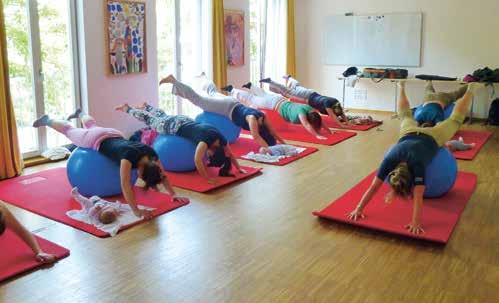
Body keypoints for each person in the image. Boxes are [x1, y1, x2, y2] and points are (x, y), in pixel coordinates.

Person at [347, 81, 481, 234]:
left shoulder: (417, 166)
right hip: (409, 132)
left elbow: (418, 197)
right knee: (405, 114)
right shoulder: (390, 160)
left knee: (455, 120)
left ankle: (470, 90)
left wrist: (415, 222)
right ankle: (401, 87)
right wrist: (358, 208)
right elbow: (373, 187)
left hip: (433, 137)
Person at [33, 111, 187, 219]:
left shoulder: (150, 152)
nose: (138, 177)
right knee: (69, 130)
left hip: (113, 133)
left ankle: (80, 113)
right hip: (93, 140)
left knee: (92, 125)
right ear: (141, 171)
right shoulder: (127, 159)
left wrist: (173, 194)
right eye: (141, 177)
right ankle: (47, 120)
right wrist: (137, 211)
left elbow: (162, 174)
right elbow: (125, 185)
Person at [115, 103, 246, 184]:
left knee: (162, 116)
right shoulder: (205, 142)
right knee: (149, 119)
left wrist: (239, 168)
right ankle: (127, 108)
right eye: (210, 156)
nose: (208, 155)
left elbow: (229, 154)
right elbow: (197, 160)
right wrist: (207, 178)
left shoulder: (221, 138)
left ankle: (147, 106)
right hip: (173, 127)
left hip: (183, 119)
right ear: (213, 151)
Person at [159, 74, 285, 148]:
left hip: (232, 102)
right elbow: (256, 137)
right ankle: (173, 81)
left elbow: (273, 132)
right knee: (199, 100)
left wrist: (284, 144)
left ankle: (204, 77)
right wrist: (268, 149)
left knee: (212, 93)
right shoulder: (252, 120)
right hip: (227, 108)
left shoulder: (262, 116)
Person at [224, 83, 333, 140]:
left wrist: (330, 131)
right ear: (310, 120)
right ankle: (232, 90)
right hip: (273, 104)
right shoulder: (302, 115)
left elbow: (320, 120)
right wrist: (317, 136)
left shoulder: (311, 110)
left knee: (263, 94)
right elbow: (307, 125)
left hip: (279, 99)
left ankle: (251, 86)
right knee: (252, 99)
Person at [260, 76, 349, 127]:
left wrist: (347, 122)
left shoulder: (335, 102)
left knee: (296, 87)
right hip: (307, 95)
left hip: (311, 93)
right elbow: (333, 116)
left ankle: (290, 78)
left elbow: (341, 113)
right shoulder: (328, 104)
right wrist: (342, 125)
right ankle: (271, 81)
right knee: (287, 91)